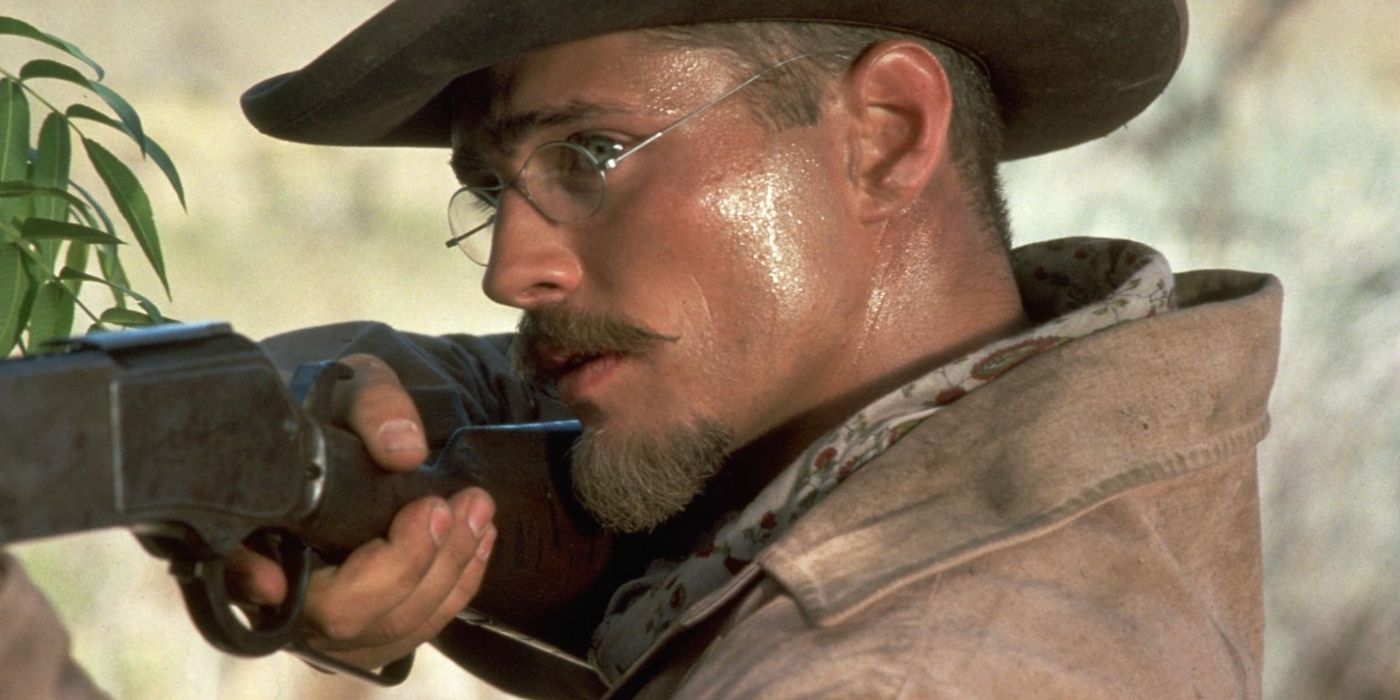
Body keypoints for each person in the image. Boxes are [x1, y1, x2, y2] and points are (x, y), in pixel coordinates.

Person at [6, 1, 1282, 698]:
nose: (514, 267)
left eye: (587, 157)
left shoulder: (917, 672)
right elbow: (455, 398)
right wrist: (318, 469)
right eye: (493, 183)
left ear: (886, 133)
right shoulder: (870, 441)